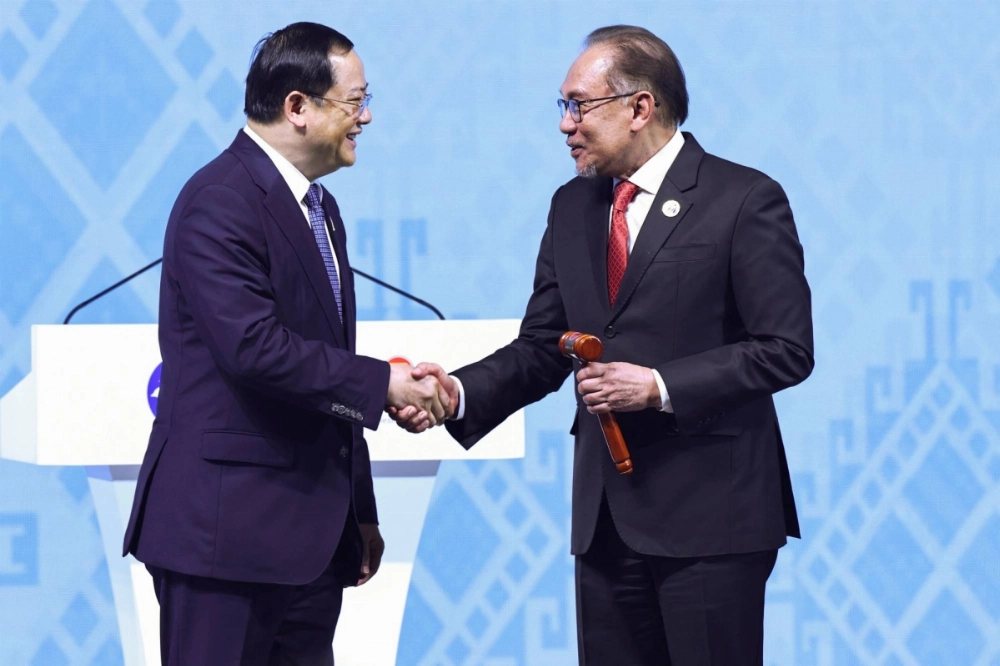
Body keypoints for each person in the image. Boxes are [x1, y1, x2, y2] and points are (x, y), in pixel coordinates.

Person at [393, 25, 813, 666]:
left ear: (639, 107)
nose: (566, 124)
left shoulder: (743, 199)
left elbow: (785, 347)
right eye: (563, 106)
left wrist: (659, 386)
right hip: (606, 521)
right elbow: (543, 344)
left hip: (712, 519)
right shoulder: (572, 206)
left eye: (579, 105)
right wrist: (456, 392)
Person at [122, 22, 447, 666]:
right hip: (224, 541)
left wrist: (360, 508)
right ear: (297, 107)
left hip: (310, 545)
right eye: (354, 102)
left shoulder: (320, 209)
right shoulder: (219, 199)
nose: (367, 117)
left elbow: (323, 363)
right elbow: (254, 347)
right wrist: (383, 384)